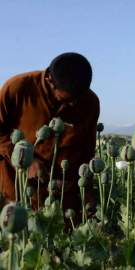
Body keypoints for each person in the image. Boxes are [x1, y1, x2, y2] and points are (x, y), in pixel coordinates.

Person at [0, 52, 100, 213]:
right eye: (67, 100)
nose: (74, 103)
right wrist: (26, 161)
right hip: (17, 186)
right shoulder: (17, 89)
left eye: (79, 97)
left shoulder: (90, 102)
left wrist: (85, 188)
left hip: (63, 193)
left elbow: (87, 150)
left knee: (62, 234)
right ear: (49, 81)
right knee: (22, 234)